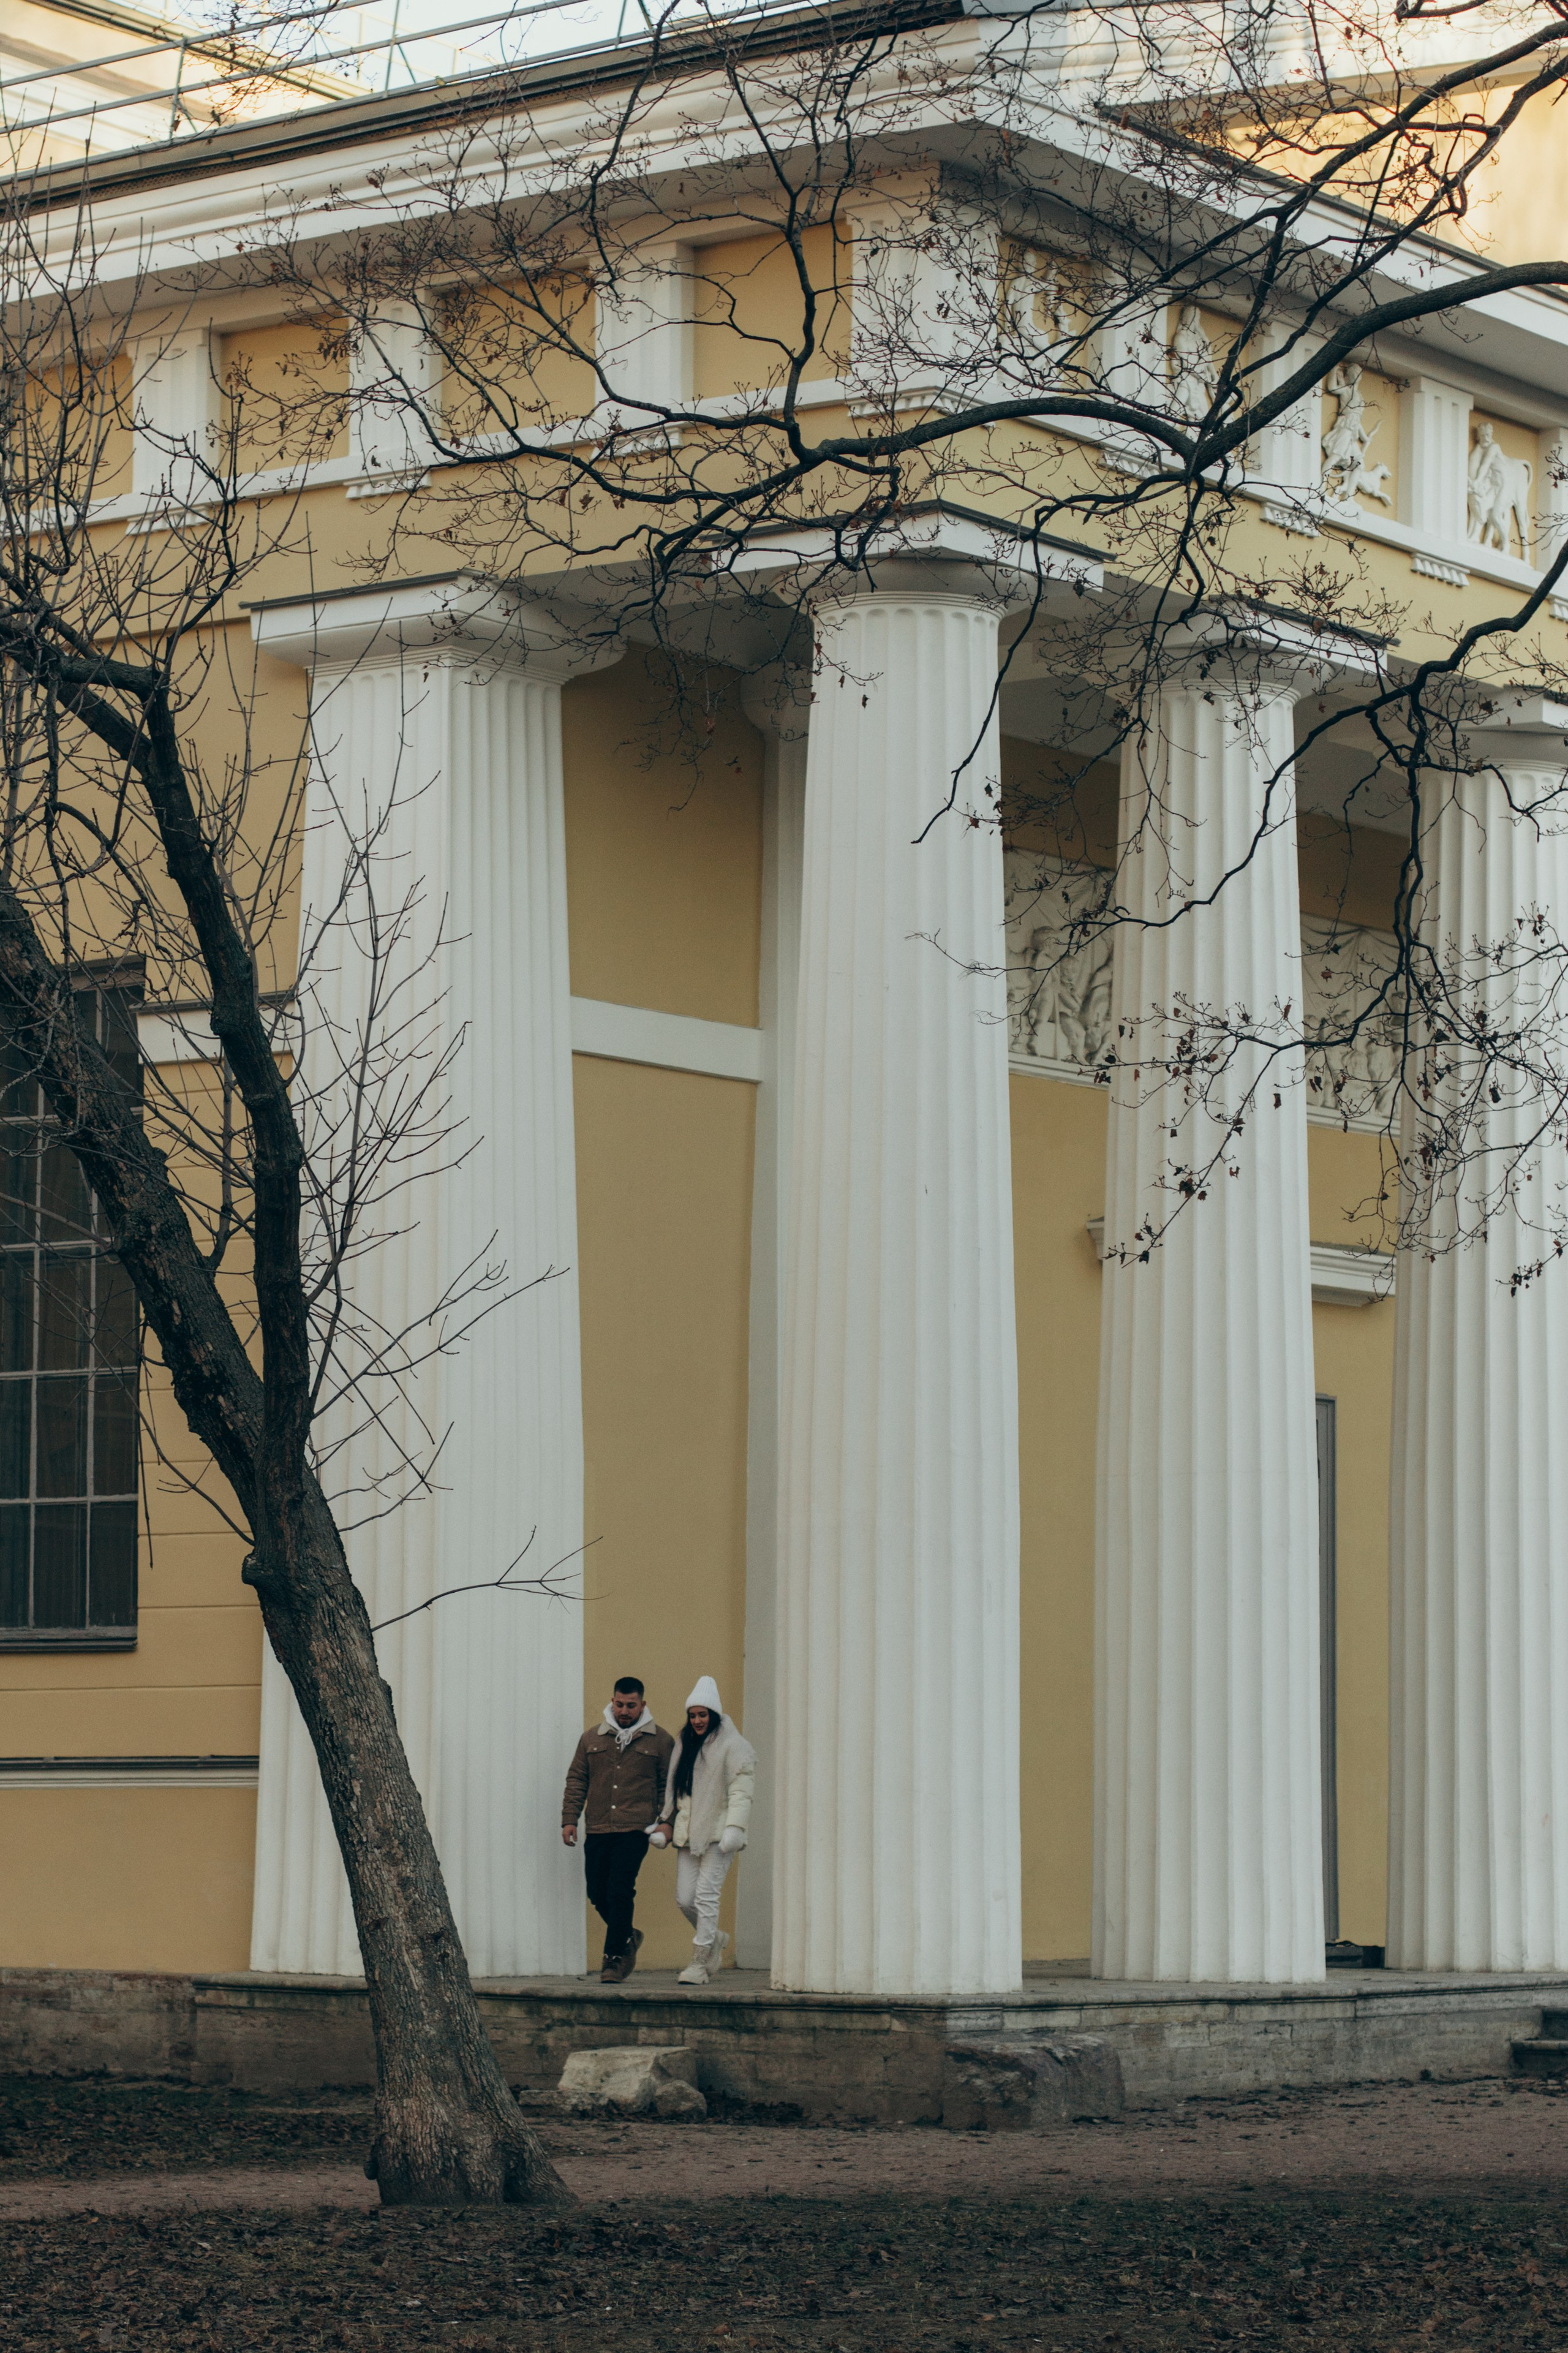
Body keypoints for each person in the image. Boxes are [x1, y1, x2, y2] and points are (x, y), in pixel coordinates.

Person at [561, 1676, 674, 1984]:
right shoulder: (591, 1738)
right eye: (620, 1704)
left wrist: (666, 1821)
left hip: (636, 1828)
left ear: (643, 1705)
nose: (624, 1711)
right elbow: (577, 1780)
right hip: (598, 1827)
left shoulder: (661, 1741)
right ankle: (627, 1934)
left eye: (631, 1706)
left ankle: (614, 1959)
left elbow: (668, 1786)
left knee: (620, 1889)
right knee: (597, 1892)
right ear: (613, 1701)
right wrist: (570, 1818)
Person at [651, 1675, 756, 1985]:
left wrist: (735, 1828)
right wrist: (666, 1820)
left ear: (714, 1714)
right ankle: (715, 1938)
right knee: (686, 1899)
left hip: (720, 1835)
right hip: (688, 1833)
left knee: (707, 1896)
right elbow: (676, 1789)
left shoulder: (734, 1745)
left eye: (703, 1714)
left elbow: (741, 1792)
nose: (697, 1721)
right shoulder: (685, 1743)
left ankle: (699, 1963)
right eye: (693, 1715)